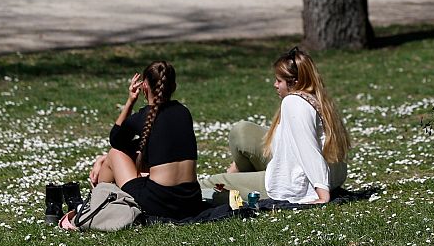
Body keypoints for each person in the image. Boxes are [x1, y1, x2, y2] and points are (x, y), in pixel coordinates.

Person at [199, 47, 349, 204]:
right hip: (311, 171)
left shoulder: (294, 102)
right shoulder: (316, 98)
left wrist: (322, 194)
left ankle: (180, 194)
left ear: (294, 83)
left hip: (295, 182)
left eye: (279, 81)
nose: (275, 85)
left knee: (212, 183)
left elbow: (308, 150)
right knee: (241, 131)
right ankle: (240, 175)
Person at [89, 61, 206, 219]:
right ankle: (98, 199)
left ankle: (95, 202)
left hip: (159, 204)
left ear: (144, 87)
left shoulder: (144, 116)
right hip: (191, 202)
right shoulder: (184, 113)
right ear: (174, 86)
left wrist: (130, 101)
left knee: (113, 154)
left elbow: (116, 140)